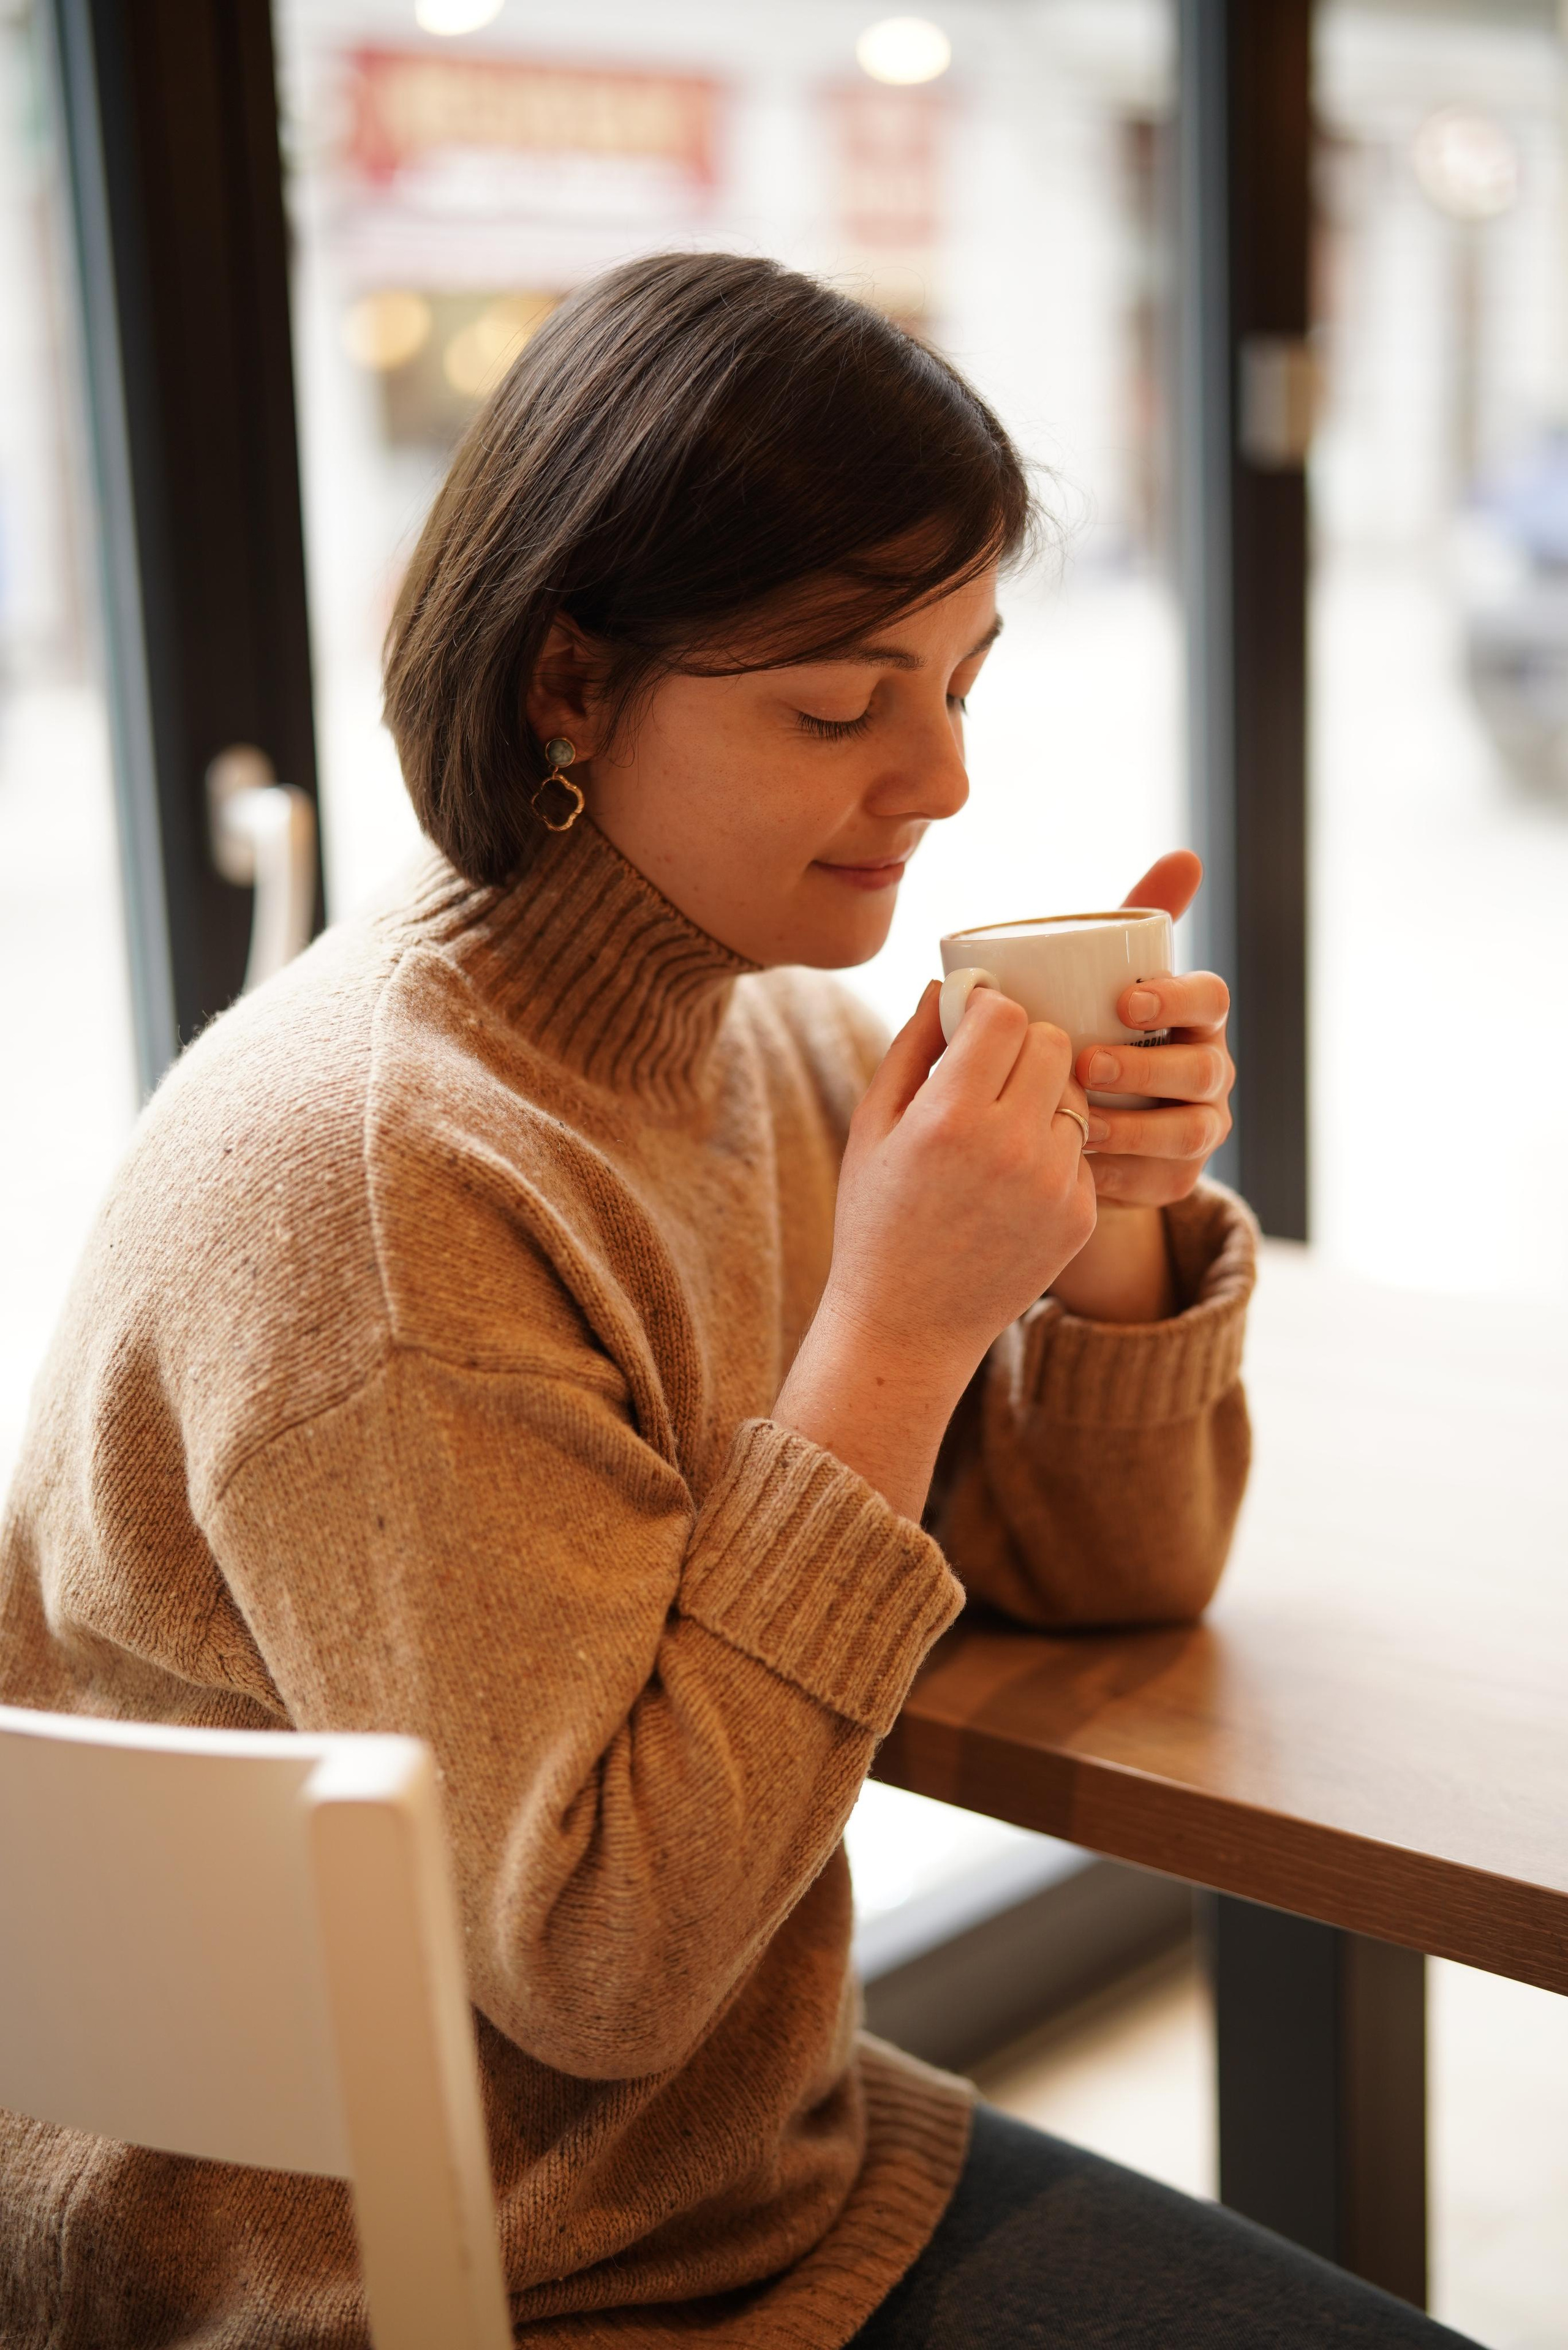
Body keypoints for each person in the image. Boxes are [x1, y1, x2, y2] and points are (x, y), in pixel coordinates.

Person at [0, 252, 1472, 2349]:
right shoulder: (381, 1187)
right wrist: (896, 1331)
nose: (939, 777)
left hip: (724, 2165)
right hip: (420, 2276)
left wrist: (1122, 1215)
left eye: (961, 681)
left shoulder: (750, 1034)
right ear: (567, 688)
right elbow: (606, 1967)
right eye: (837, 703)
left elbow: (1118, 1583)